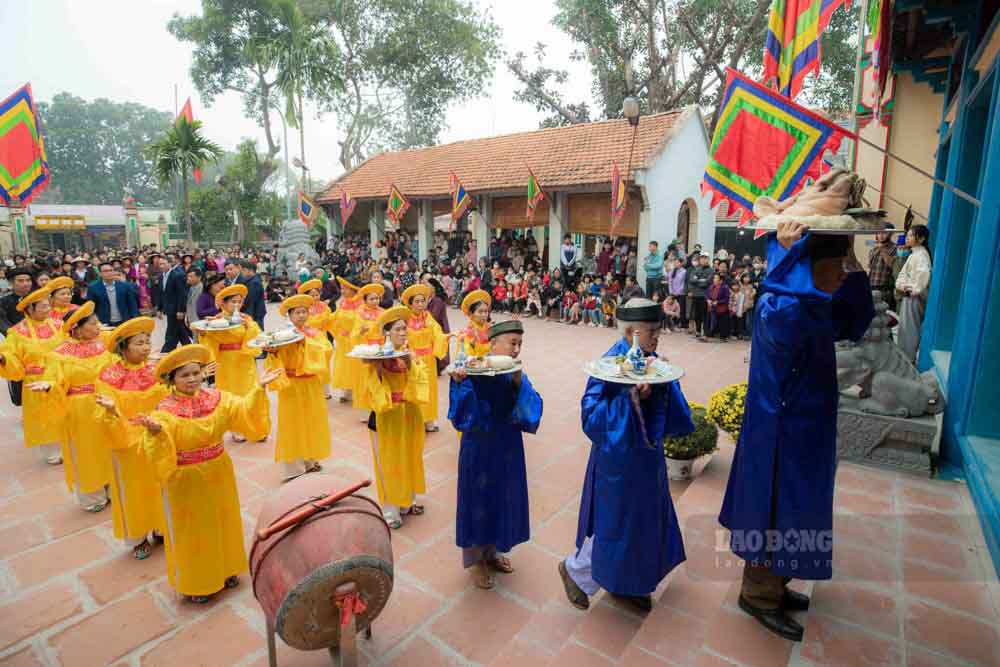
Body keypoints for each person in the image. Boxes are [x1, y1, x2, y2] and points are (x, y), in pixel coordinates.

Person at [719, 223, 874, 642]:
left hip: (810, 428)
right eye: (835, 264)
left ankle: (778, 583)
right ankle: (758, 594)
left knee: (798, 510)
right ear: (806, 267)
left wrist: (854, 265)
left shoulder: (814, 302)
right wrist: (787, 254)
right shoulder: (779, 306)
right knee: (772, 510)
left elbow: (855, 321)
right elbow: (788, 314)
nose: (842, 272)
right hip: (779, 434)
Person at [559, 298, 694, 612]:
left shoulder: (651, 360)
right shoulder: (608, 365)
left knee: (643, 521)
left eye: (658, 331)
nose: (657, 337)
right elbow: (591, 416)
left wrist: (659, 386)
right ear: (631, 331)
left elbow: (670, 408)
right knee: (615, 522)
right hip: (618, 461)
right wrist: (630, 397)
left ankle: (630, 582)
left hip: (647, 459)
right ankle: (576, 572)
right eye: (652, 332)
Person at [136, 345, 278, 603]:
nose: (192, 379)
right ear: (172, 380)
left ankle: (226, 570)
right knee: (194, 530)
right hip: (185, 479)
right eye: (184, 375)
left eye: (196, 372)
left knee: (223, 520)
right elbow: (158, 444)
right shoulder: (164, 409)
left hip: (218, 470)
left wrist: (258, 389)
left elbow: (242, 410)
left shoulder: (217, 398)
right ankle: (198, 583)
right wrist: (156, 433)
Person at [447, 319, 542, 589]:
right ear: (493, 344)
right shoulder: (473, 368)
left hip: (507, 445)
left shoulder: (515, 371)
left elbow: (531, 409)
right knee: (477, 499)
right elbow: (460, 416)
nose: (516, 350)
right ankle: (475, 560)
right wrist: (460, 383)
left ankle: (493, 552)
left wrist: (517, 383)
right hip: (478, 445)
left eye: (520, 344)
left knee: (501, 497)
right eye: (512, 343)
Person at [95, 317, 169, 559]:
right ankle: (137, 537)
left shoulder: (157, 370)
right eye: (139, 343)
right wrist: (111, 411)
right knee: (132, 490)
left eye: (147, 341)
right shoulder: (109, 376)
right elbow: (102, 409)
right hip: (126, 438)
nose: (146, 347)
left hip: (154, 434)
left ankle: (161, 527)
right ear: (123, 348)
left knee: (159, 483)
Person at [363, 306, 429, 529]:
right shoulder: (377, 357)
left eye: (405, 329)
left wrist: (411, 364)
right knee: (388, 463)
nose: (403, 333)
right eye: (398, 329)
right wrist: (378, 369)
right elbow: (372, 387)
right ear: (387, 333)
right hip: (387, 417)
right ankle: (390, 511)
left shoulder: (410, 354)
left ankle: (407, 502)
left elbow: (422, 380)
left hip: (408, 414)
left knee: (409, 457)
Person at [45, 302, 115, 511]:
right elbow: (54, 380)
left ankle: (112, 487)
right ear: (76, 328)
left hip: (106, 404)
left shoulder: (103, 346)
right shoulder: (59, 354)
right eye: (93, 324)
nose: (98, 327)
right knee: (85, 452)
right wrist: (50, 386)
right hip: (80, 409)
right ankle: (92, 497)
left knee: (108, 447)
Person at [264, 295, 332, 481]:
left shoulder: (314, 333)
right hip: (292, 385)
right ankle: (293, 467)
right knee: (292, 423)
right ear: (289, 315)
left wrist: (305, 343)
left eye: (304, 312)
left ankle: (310, 459)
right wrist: (273, 352)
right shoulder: (282, 336)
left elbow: (326, 350)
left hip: (311, 383)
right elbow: (275, 357)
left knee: (311, 421)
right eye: (297, 312)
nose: (301, 316)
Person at [0, 287, 65, 463]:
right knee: (42, 417)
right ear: (30, 309)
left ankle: (67, 445)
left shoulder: (59, 325)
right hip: (36, 379)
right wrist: (3, 359)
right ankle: (51, 452)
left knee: (63, 413)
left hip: (61, 377)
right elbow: (10, 354)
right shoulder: (17, 332)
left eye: (47, 305)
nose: (47, 309)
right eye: (42, 306)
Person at [198, 284, 263, 442]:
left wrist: (248, 326)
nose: (236, 305)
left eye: (239, 302)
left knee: (251, 392)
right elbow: (210, 339)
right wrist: (205, 333)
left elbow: (257, 334)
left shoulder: (246, 318)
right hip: (227, 362)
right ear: (223, 304)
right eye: (233, 302)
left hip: (245, 359)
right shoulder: (216, 321)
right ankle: (236, 428)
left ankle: (255, 427)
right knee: (231, 395)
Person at [401, 284, 449, 432]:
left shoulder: (428, 318)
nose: (421, 304)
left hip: (428, 359)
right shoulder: (405, 319)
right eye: (417, 301)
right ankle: (415, 420)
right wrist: (407, 350)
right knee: (415, 389)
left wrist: (445, 337)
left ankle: (428, 420)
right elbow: (402, 339)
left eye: (423, 301)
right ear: (410, 304)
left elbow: (438, 333)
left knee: (429, 390)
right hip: (413, 360)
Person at [895, 224, 932, 363]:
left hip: (913, 297)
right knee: (906, 327)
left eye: (911, 235)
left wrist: (912, 288)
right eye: (908, 235)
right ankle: (905, 357)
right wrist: (902, 285)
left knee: (909, 328)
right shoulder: (915, 254)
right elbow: (901, 277)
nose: (907, 238)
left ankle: (907, 359)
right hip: (909, 295)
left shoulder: (921, 255)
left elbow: (923, 276)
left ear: (921, 239)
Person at [350, 283, 387, 416]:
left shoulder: (383, 312)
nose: (375, 301)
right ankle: (365, 410)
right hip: (367, 349)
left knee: (379, 377)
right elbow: (354, 333)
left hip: (380, 349)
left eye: (377, 298)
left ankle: (379, 404)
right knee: (365, 379)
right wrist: (361, 332)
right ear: (365, 300)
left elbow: (386, 329)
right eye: (371, 299)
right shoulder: (360, 313)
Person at [330, 276, 362, 403]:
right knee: (344, 366)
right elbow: (336, 316)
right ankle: (346, 391)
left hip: (356, 340)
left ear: (354, 289)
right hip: (343, 340)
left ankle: (356, 390)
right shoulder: (343, 302)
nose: (342, 291)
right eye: (341, 288)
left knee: (355, 365)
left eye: (345, 289)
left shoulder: (361, 303)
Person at [89, 262, 139, 328]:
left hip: (124, 321)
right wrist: (96, 323)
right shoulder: (93, 288)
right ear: (100, 274)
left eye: (111, 270)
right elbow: (91, 308)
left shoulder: (124, 285)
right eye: (106, 271)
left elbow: (133, 304)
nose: (109, 273)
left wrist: (135, 320)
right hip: (105, 324)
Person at [160, 254, 191, 352]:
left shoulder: (177, 275)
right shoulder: (161, 276)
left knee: (172, 331)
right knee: (180, 331)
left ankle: (165, 351)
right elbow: (162, 293)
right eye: (160, 264)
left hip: (176, 310)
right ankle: (189, 348)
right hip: (168, 309)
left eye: (164, 264)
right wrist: (159, 309)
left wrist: (181, 310)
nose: (161, 266)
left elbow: (181, 294)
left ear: (170, 264)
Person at [867, 224, 898, 312]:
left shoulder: (895, 248)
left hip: (885, 289)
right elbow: (869, 267)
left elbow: (892, 265)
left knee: (884, 315)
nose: (881, 235)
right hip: (871, 287)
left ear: (891, 234)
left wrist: (882, 249)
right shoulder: (873, 249)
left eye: (884, 233)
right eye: (879, 233)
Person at [459, 290, 492, 357]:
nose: (484, 315)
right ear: (471, 314)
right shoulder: (466, 332)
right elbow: (464, 356)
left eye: (486, 311)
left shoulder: (491, 328)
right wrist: (472, 344)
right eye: (480, 312)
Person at [687, 254, 713, 338]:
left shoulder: (711, 270)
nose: (703, 260)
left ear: (708, 259)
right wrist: (701, 280)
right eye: (702, 258)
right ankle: (698, 331)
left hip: (705, 296)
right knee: (696, 315)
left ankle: (705, 333)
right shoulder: (696, 269)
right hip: (696, 295)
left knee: (705, 316)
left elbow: (708, 282)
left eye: (705, 258)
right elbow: (691, 280)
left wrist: (697, 280)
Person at [240, 260, 267, 330]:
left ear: (250, 270)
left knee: (257, 332)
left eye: (243, 270)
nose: (241, 272)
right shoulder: (252, 280)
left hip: (255, 312)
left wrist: (249, 315)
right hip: (255, 312)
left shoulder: (254, 283)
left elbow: (251, 301)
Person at [705, 273, 732, 341]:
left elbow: (726, 299)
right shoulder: (711, 286)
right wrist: (708, 300)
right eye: (714, 278)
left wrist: (718, 302)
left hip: (721, 308)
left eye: (716, 278)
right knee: (709, 322)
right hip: (711, 307)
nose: (714, 280)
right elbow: (706, 294)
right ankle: (708, 335)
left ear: (721, 280)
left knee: (722, 323)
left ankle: (723, 337)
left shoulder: (725, 288)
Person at [666, 259, 688, 330]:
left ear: (681, 263)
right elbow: (670, 282)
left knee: (681, 309)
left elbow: (684, 283)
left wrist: (678, 292)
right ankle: (673, 324)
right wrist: (671, 292)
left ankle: (682, 324)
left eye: (677, 262)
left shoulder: (684, 271)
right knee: (673, 309)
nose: (675, 264)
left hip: (681, 293)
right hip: (673, 294)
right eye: (674, 262)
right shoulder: (672, 271)